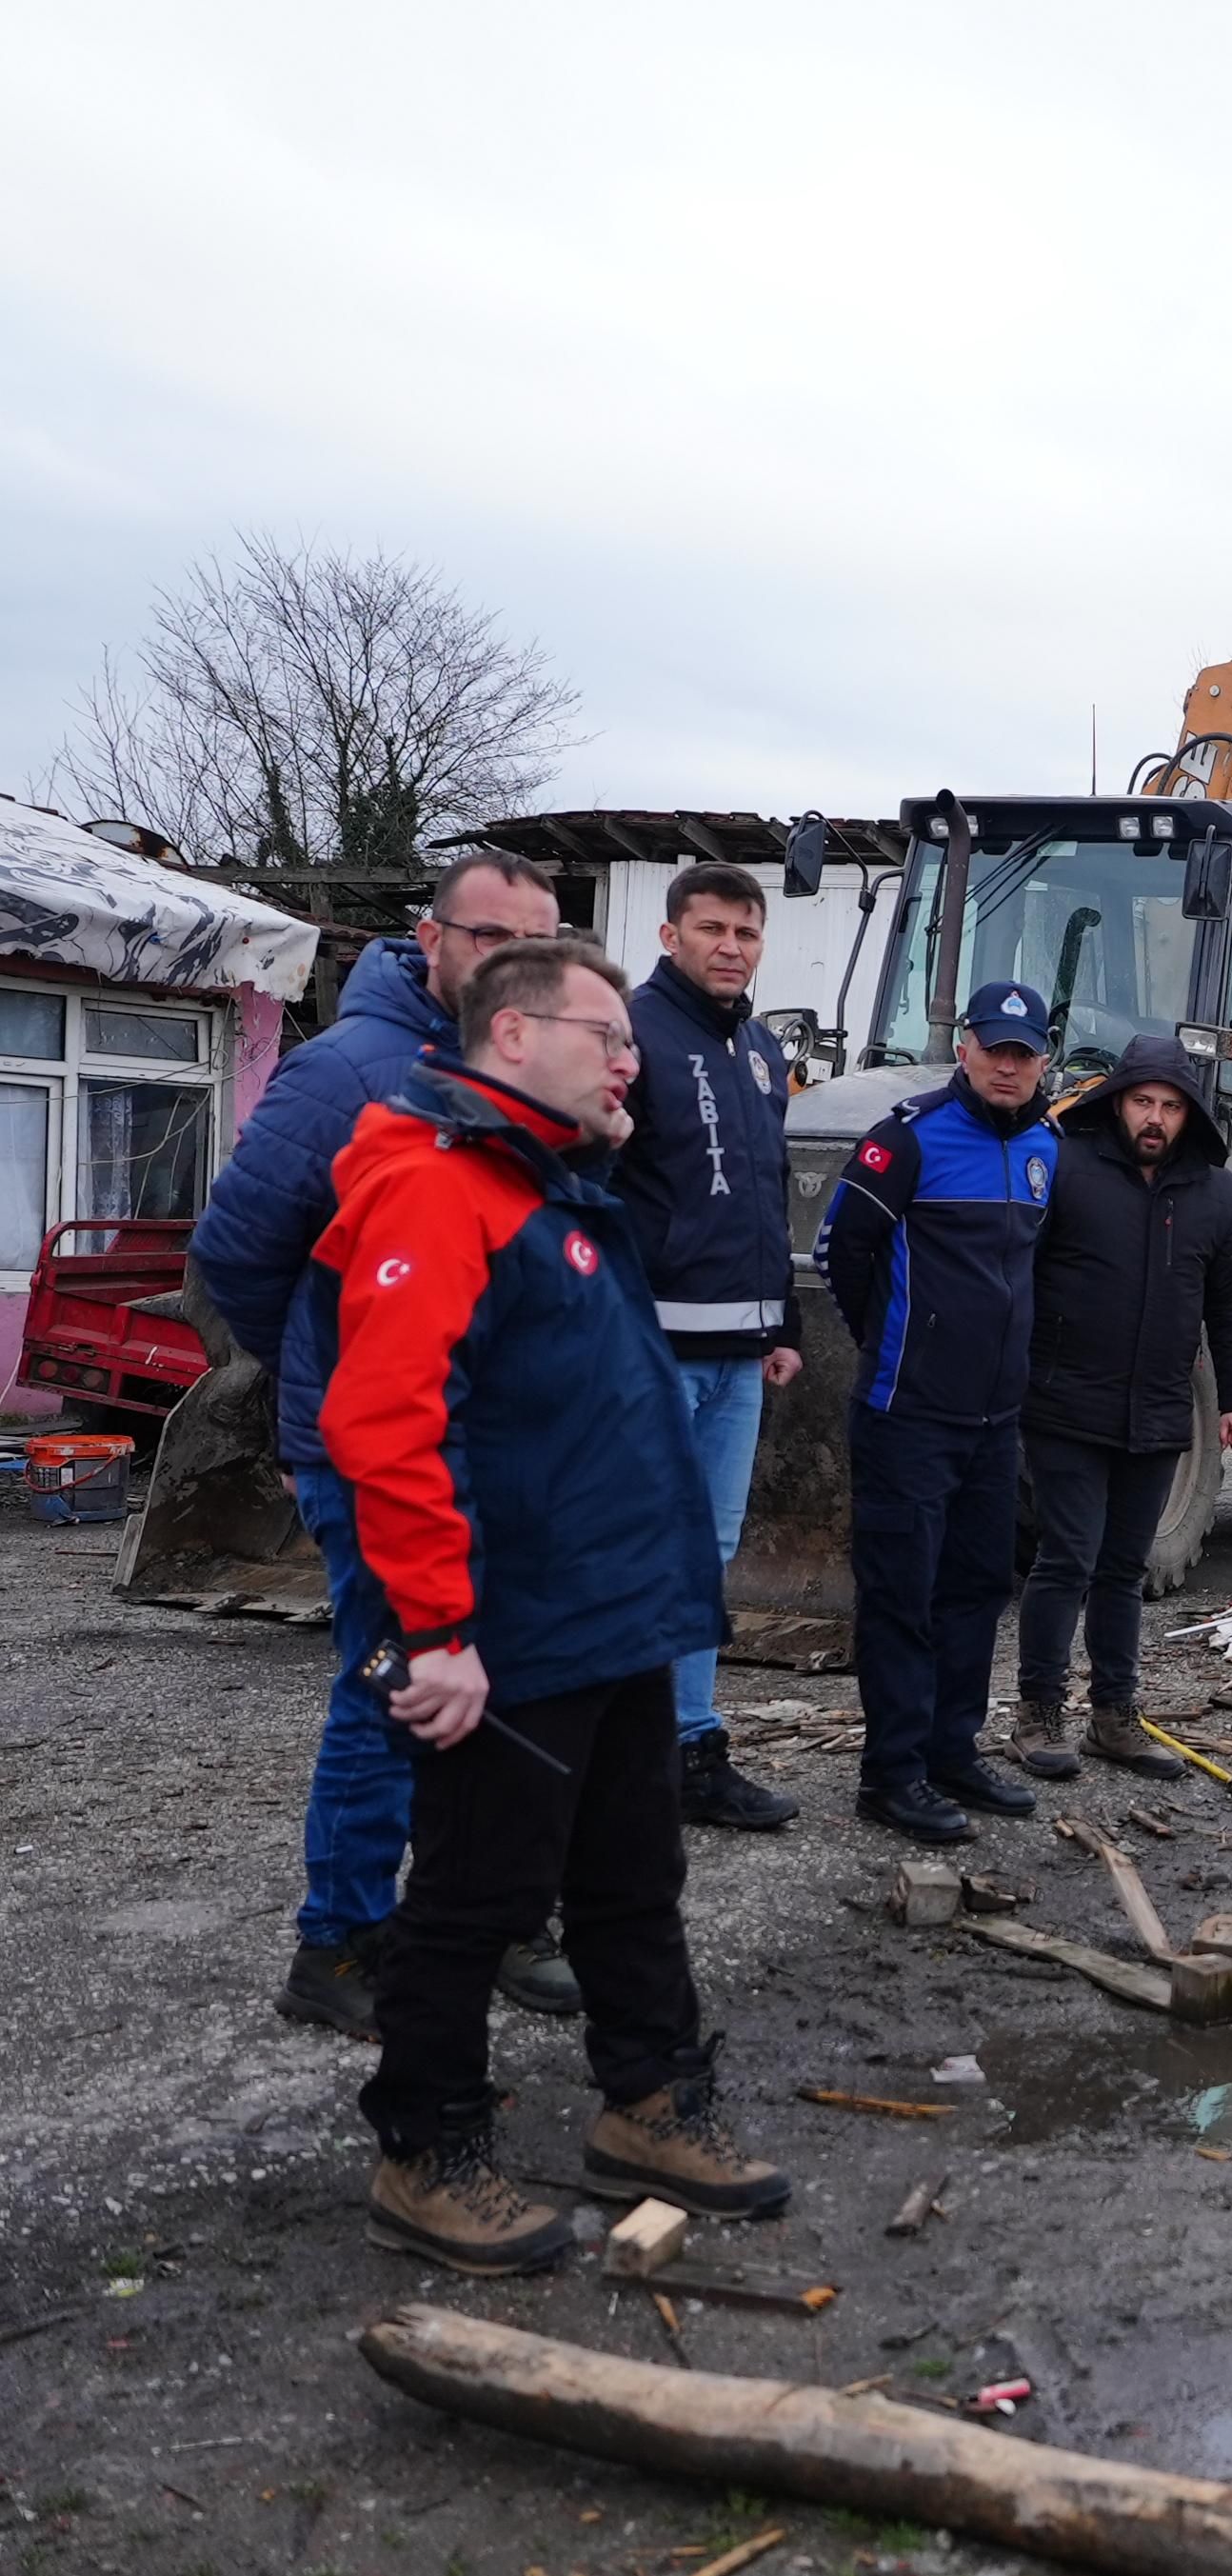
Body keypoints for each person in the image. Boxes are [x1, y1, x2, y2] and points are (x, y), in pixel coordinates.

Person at [308, 935, 787, 2272]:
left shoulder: (550, 1181)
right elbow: (386, 1425)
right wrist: (437, 1632)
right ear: (512, 1038)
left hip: (615, 1609)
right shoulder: (433, 1184)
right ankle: (429, 2153)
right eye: (607, 1034)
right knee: (477, 1895)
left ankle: (649, 2103)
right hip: (513, 1624)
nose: (630, 1056)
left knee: (636, 1875)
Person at [189, 850, 576, 2039]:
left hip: (506, 1451)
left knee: (512, 1688)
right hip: (379, 1454)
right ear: (433, 938)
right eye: (494, 938)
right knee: (394, 1687)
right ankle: (343, 1942)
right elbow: (239, 1254)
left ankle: (495, 1910)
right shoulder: (348, 1072)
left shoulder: (529, 1076)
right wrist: (341, 1368)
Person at [818, 982, 1063, 1844]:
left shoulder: (1044, 1144)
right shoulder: (908, 1138)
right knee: (901, 1597)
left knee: (974, 1590)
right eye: (994, 1047)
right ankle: (890, 1776)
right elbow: (840, 1250)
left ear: (1041, 1062)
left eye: (1023, 1052)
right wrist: (896, 1344)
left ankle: (952, 1749)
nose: (1008, 1064)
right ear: (965, 1047)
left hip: (996, 1423)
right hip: (907, 1415)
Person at [1008, 1037, 1232, 1782]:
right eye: (1143, 1102)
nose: (1155, 1119)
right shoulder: (1066, 1166)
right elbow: (1017, 1272)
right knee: (1065, 1561)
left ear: (1189, 1115)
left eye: (1171, 1106)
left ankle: (1114, 1718)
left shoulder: (1215, 1192)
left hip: (1157, 1414)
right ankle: (1038, 1716)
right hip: (1064, 1402)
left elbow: (1231, 1304)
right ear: (1116, 1102)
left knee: (1122, 1569)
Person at [618, 863, 804, 1832]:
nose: (730, 946)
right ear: (670, 937)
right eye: (712, 929)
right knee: (645, 1551)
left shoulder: (763, 1052)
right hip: (655, 1352)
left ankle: (690, 1744)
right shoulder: (632, 1037)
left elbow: (767, 1194)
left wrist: (784, 1323)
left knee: (708, 1553)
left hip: (740, 1355)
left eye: (746, 931)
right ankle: (624, 1750)